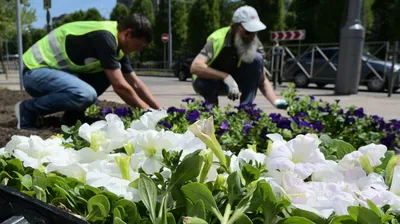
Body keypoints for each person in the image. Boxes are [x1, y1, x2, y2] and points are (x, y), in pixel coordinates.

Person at [16, 14, 161, 130]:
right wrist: (147, 112)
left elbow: (135, 83)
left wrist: (159, 111)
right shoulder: (105, 37)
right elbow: (120, 86)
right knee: (85, 94)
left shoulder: (119, 49)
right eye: (139, 44)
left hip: (56, 75)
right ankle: (28, 110)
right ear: (128, 33)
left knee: (107, 74)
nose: (138, 50)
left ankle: (72, 117)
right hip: (34, 72)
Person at [190, 5, 288, 109]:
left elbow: (261, 79)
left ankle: (245, 111)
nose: (252, 36)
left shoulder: (255, 42)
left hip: (237, 83)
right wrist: (226, 77)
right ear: (235, 27)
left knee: (257, 58)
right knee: (204, 84)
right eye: (248, 32)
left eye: (255, 32)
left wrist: (275, 101)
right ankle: (211, 109)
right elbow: (195, 66)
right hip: (210, 82)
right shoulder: (217, 39)